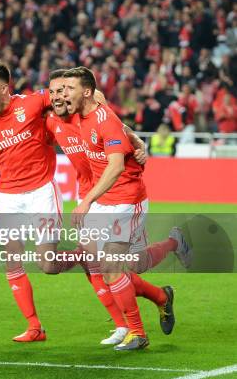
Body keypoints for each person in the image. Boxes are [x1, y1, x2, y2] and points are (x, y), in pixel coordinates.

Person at [46, 69, 190, 345]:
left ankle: (173, 246)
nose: (60, 95)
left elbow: (116, 143)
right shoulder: (56, 115)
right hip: (96, 197)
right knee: (104, 266)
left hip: (124, 196)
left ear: (83, 92)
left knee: (131, 265)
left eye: (65, 90)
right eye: (55, 92)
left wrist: (136, 142)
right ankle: (134, 322)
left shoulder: (97, 109)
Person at [0, 62, 74, 343]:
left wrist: (97, 103)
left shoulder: (32, 103)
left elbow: (68, 94)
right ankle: (34, 327)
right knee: (12, 261)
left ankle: (83, 256)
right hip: (8, 197)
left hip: (41, 192)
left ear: (3, 88)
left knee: (48, 265)